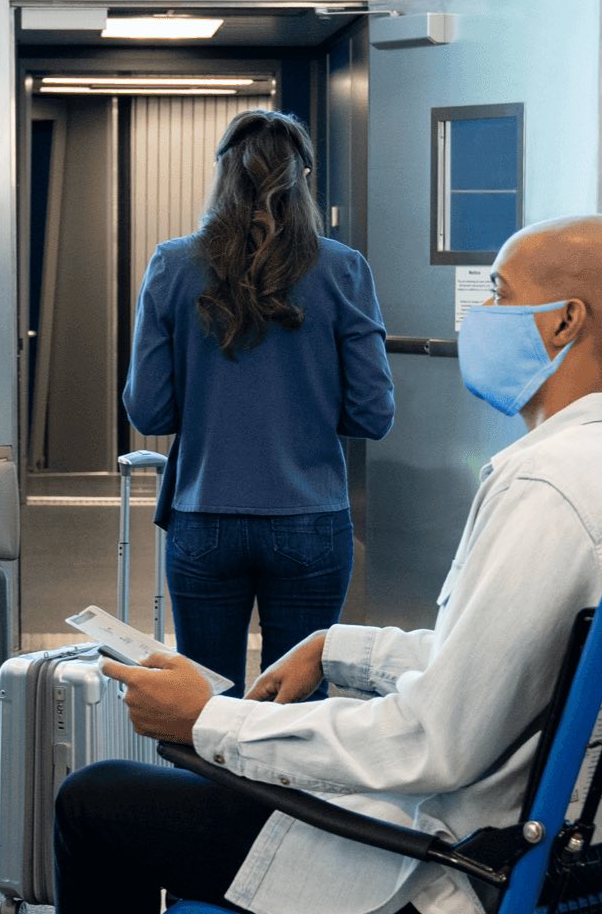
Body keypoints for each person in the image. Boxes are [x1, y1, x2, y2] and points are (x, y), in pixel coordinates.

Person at [56, 216, 602, 914]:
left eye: (497, 295)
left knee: (95, 800)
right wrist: (336, 647)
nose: (479, 317)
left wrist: (210, 721)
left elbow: (430, 743)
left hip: (454, 862)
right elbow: (516, 659)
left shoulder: (548, 486)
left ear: (563, 322)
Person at [121, 110, 396, 695]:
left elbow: (148, 412)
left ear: (223, 176)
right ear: (304, 181)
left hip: (204, 515)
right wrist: (310, 411)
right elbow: (375, 412)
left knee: (202, 701)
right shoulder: (344, 269)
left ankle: (208, 791)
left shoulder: (173, 264)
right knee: (296, 708)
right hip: (311, 519)